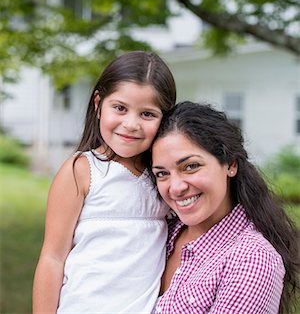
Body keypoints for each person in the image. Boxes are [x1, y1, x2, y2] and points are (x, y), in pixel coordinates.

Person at [32, 51, 176, 314]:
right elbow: (52, 257)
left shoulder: (164, 177)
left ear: (164, 119)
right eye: (120, 108)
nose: (131, 124)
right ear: (98, 104)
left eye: (147, 114)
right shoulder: (82, 170)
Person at [151, 101, 300, 314]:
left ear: (230, 164)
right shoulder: (161, 231)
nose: (175, 188)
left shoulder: (251, 259)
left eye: (191, 166)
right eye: (162, 173)